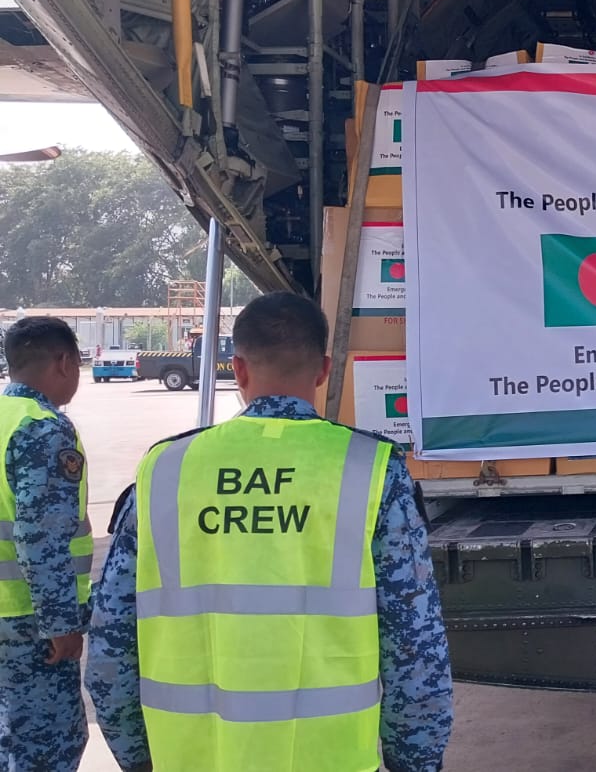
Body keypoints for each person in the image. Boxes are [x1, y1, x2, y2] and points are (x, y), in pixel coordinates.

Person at [87, 292, 453, 771]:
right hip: (330, 758)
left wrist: (137, 757)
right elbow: (415, 644)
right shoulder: (370, 470)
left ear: (237, 369)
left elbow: (110, 646)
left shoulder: (165, 470)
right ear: (323, 371)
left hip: (191, 757)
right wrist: (415, 761)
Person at [0, 317, 92, 772]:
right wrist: (60, 624)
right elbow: (41, 537)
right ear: (64, 362)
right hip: (26, 621)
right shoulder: (42, 428)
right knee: (48, 745)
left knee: (9, 738)